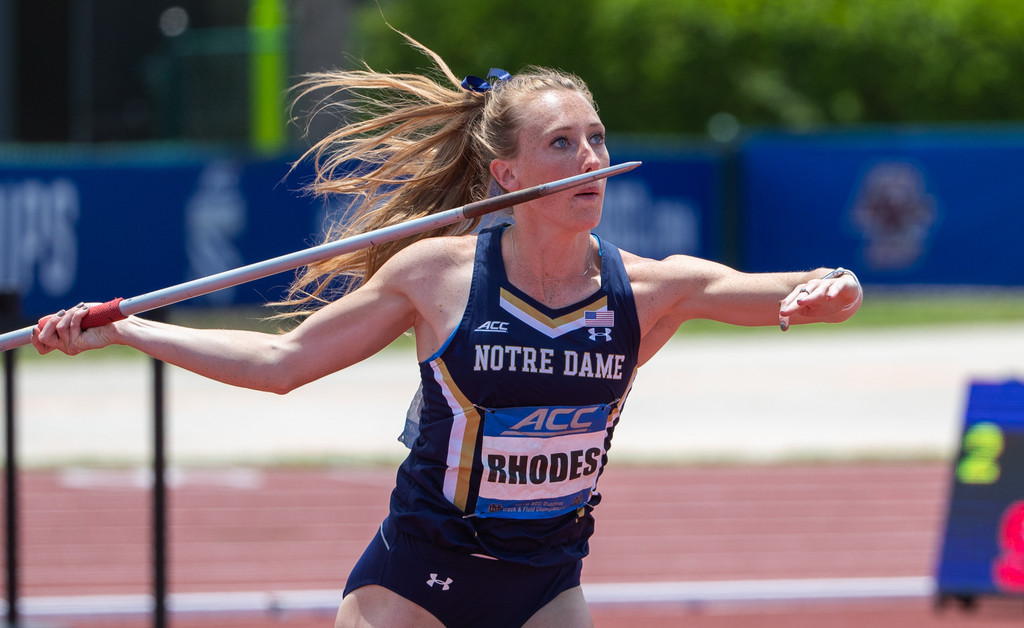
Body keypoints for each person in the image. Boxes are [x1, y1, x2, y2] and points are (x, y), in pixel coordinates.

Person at [31, 33, 863, 628]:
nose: (590, 158)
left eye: (597, 138)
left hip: (545, 582)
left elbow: (779, 287)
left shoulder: (648, 287)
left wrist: (833, 289)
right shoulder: (437, 275)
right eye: (561, 143)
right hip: (416, 581)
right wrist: (134, 332)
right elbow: (282, 363)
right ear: (506, 174)